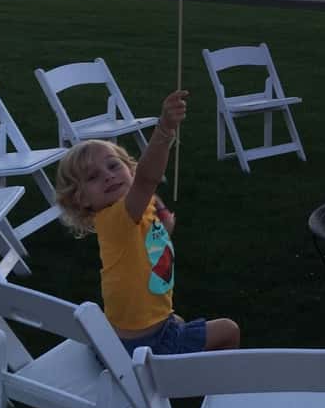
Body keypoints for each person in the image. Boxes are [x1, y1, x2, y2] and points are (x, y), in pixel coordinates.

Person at [55, 90, 241, 354]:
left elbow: (150, 211)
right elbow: (146, 180)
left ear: (128, 170)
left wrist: (163, 223)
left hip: (128, 334)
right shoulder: (116, 219)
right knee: (229, 330)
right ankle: (217, 391)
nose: (108, 176)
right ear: (81, 199)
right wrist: (165, 130)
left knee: (177, 320)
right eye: (93, 177)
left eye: (113, 166)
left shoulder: (130, 215)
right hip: (145, 344)